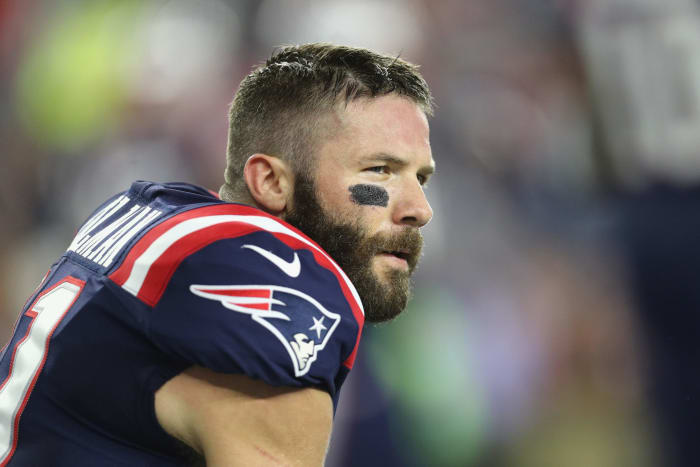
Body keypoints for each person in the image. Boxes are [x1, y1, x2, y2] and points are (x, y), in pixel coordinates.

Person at [0, 43, 435, 465]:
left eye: (421, 178)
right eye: (380, 170)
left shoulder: (157, 211)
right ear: (271, 182)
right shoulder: (283, 278)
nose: (420, 209)